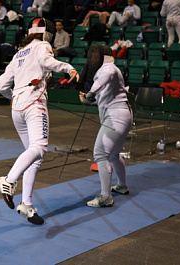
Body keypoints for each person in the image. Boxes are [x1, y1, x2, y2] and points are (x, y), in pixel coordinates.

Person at [0, 17, 79, 225]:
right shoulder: (43, 46)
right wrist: (68, 68)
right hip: (34, 104)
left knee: (34, 156)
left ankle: (26, 205)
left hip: (17, 107)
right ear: (47, 33)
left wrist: (15, 96)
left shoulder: (19, 53)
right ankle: (9, 180)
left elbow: (1, 86)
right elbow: (48, 62)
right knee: (40, 148)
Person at [78, 45, 132, 208]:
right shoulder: (103, 72)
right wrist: (89, 99)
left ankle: (105, 196)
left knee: (100, 154)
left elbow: (106, 77)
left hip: (116, 118)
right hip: (122, 115)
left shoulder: (109, 68)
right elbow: (104, 96)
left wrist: (91, 92)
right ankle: (122, 186)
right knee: (114, 155)